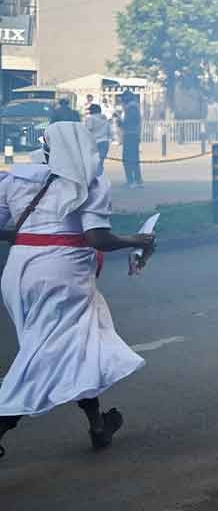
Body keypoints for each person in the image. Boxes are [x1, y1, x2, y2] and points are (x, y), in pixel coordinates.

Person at [0, 122, 156, 459]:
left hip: (19, 271)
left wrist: (35, 236)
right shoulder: (90, 181)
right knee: (48, 351)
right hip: (63, 274)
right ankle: (3, 420)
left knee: (74, 343)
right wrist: (138, 240)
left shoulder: (17, 178)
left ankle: (98, 424)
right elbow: (96, 238)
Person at [119, 92, 143, 188]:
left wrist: (120, 122)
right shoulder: (133, 107)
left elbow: (129, 123)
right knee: (134, 158)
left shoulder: (131, 108)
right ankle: (137, 180)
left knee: (128, 158)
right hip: (133, 134)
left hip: (130, 135)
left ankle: (131, 180)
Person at [84, 103, 113, 177]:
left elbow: (88, 130)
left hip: (94, 143)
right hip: (104, 142)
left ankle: (94, 179)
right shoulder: (105, 119)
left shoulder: (90, 118)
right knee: (100, 162)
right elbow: (110, 132)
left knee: (92, 162)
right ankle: (99, 178)